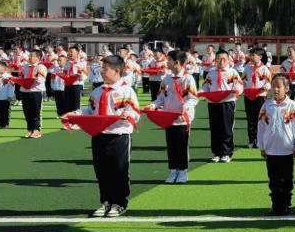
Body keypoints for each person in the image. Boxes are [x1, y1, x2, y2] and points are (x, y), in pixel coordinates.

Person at [63, 55, 141, 217]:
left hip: (118, 135)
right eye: (101, 69)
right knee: (101, 170)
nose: (102, 72)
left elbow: (135, 111)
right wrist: (75, 114)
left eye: (105, 69)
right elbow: (90, 110)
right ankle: (105, 201)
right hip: (99, 135)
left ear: (116, 71)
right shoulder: (98, 91)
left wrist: (128, 115)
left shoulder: (126, 90)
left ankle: (119, 203)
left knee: (119, 170)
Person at [147, 50, 199, 184]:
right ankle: (173, 170)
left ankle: (182, 171)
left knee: (182, 145)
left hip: (182, 118)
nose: (166, 63)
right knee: (171, 145)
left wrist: (185, 107)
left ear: (176, 62)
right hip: (168, 117)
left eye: (168, 60)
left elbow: (193, 98)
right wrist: (154, 105)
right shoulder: (166, 79)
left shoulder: (188, 78)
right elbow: (160, 97)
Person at [257, 74, 295, 216]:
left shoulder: (292, 106)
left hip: (287, 150)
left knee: (287, 180)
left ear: (286, 88)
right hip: (271, 150)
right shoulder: (267, 106)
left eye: (279, 86)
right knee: (274, 180)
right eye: (274, 86)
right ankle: (276, 205)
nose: (276, 90)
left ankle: (286, 204)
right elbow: (261, 127)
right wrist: (261, 146)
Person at [202, 48, 244, 163]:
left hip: (227, 102)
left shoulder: (232, 72)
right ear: (215, 60)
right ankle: (216, 152)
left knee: (226, 127)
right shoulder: (211, 72)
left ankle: (226, 152)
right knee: (215, 127)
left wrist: (235, 91)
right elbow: (206, 85)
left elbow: (239, 86)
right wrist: (204, 92)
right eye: (219, 59)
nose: (221, 62)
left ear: (228, 60)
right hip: (213, 102)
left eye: (224, 59)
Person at [242, 47, 271, 149]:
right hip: (248, 96)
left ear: (260, 57)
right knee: (250, 119)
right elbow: (243, 81)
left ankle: (260, 140)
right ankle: (251, 140)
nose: (252, 57)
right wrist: (244, 90)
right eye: (251, 55)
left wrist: (264, 88)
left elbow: (268, 83)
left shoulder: (264, 69)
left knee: (260, 118)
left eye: (254, 55)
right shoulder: (247, 68)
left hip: (260, 96)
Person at [21, 49, 47, 139]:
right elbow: (22, 77)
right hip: (25, 91)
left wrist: (33, 77)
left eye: (32, 56)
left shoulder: (41, 67)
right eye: (30, 56)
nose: (30, 57)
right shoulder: (25, 66)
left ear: (38, 57)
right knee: (26, 111)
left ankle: (36, 129)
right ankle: (30, 129)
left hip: (36, 91)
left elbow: (39, 80)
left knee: (35, 111)